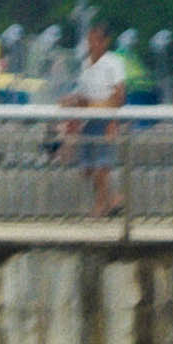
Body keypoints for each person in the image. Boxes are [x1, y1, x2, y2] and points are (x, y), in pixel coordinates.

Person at [67, 28, 132, 218]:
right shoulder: (86, 65)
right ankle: (113, 200)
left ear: (104, 42)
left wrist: (113, 120)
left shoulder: (114, 62)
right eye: (89, 41)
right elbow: (83, 98)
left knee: (102, 167)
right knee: (88, 169)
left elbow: (119, 95)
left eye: (94, 41)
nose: (90, 45)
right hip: (90, 121)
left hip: (106, 120)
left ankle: (102, 205)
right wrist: (72, 106)